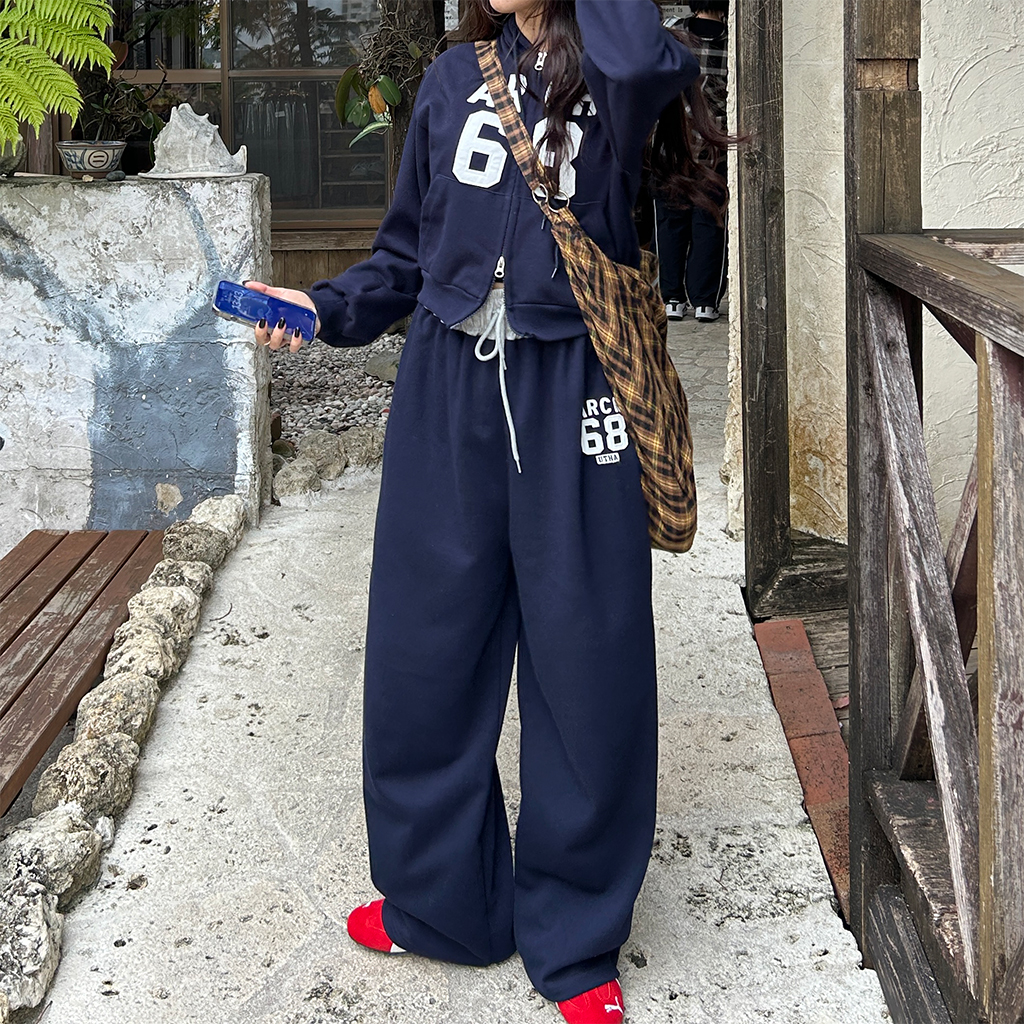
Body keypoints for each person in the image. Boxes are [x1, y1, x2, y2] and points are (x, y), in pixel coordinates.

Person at [245, 2, 728, 1021]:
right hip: (446, 387)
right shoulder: (449, 80)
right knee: (423, 653)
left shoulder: (617, 73)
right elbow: (403, 258)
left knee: (587, 663)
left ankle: (576, 935)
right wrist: (321, 307)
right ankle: (440, 903)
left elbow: (644, 54)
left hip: (576, 386)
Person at [655, 0, 729, 323]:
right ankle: (705, 301)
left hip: (673, 146)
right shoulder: (733, 42)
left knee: (671, 223)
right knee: (710, 223)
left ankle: (672, 298)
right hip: (715, 150)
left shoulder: (671, 35)